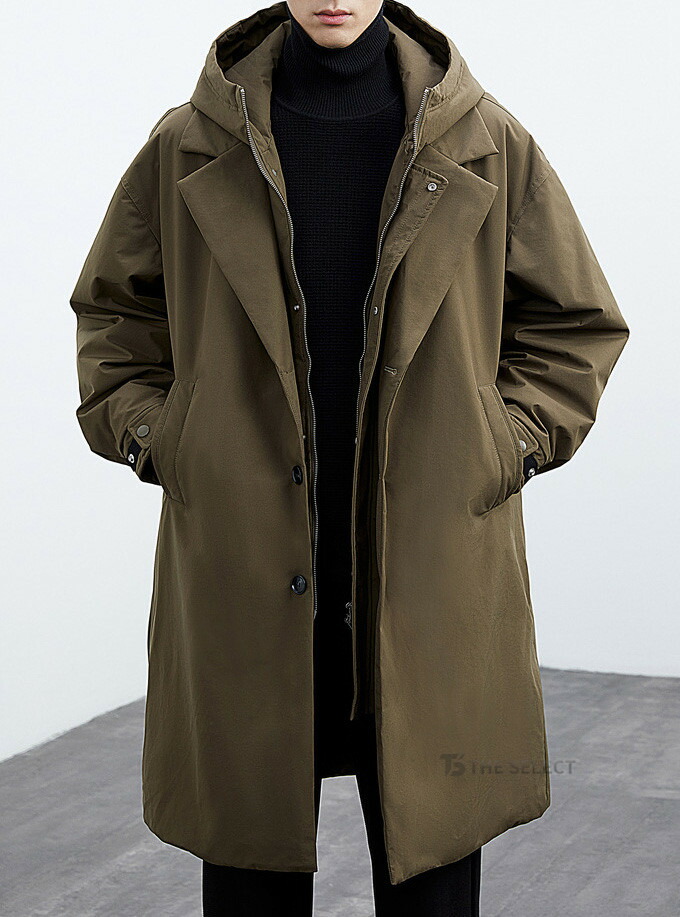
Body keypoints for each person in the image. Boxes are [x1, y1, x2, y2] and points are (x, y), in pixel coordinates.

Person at [69, 1, 629, 914]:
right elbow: (114, 321)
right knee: (249, 857)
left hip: (430, 572)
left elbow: (576, 326)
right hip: (243, 565)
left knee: (433, 860)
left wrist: (506, 443)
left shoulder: (488, 142)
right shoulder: (186, 145)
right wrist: (163, 438)